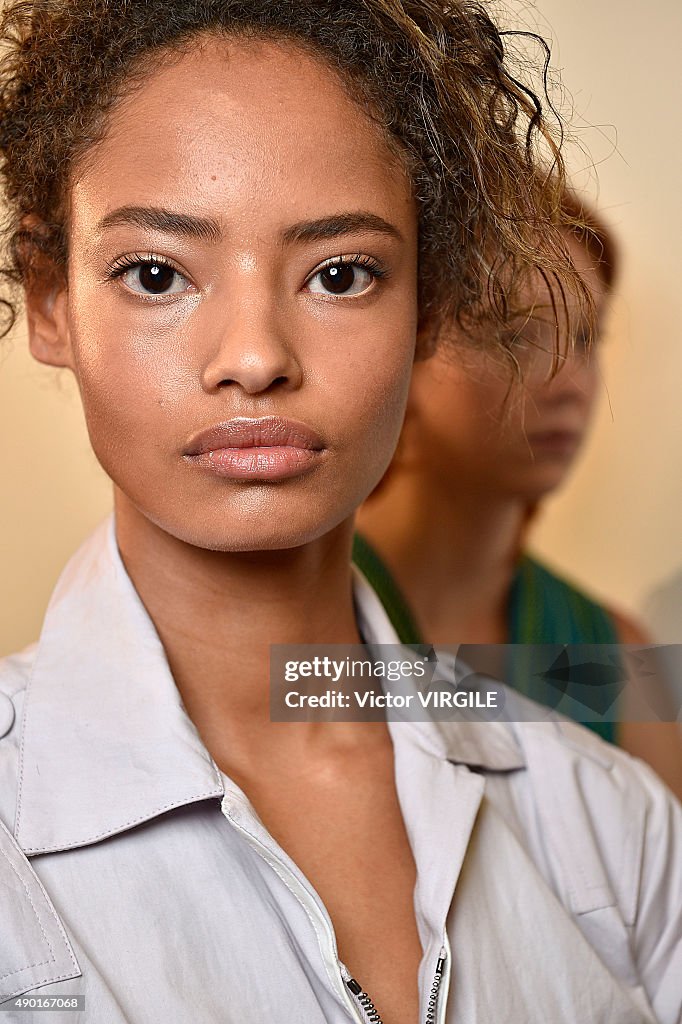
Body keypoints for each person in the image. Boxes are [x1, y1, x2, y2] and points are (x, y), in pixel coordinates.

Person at [0, 3, 679, 1023]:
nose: (255, 356)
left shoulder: (610, 819)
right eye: (156, 274)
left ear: (427, 307)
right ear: (51, 301)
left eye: (339, 274)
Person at [355, 197, 682, 796]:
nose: (571, 381)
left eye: (586, 339)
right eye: (514, 337)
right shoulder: (291, 607)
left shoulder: (609, 655)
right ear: (401, 345)